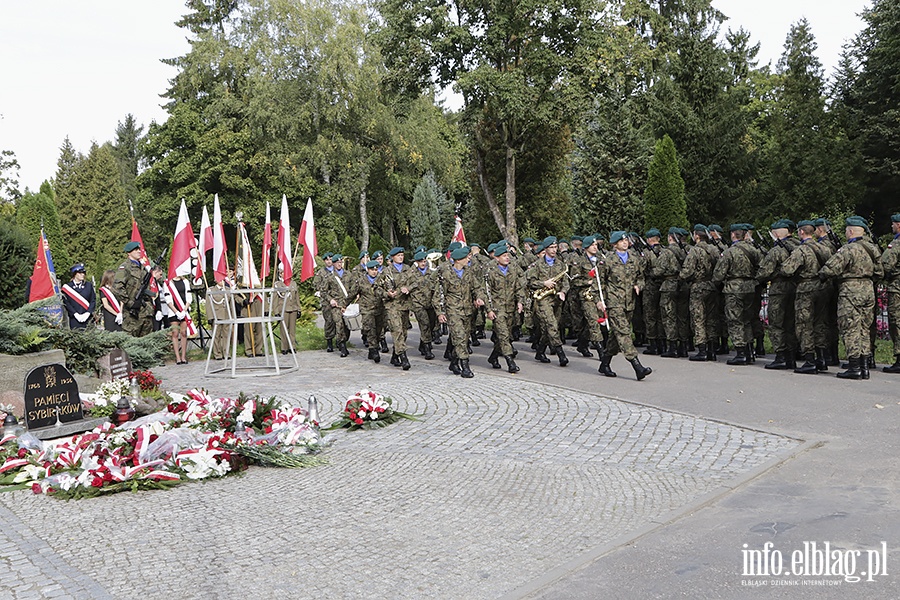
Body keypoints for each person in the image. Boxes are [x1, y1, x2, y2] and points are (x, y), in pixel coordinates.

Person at [819, 216, 884, 379]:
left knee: (850, 327)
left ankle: (854, 366)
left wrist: (822, 275)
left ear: (850, 231)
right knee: (864, 327)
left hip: (850, 290)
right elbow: (880, 272)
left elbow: (830, 269)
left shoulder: (848, 249)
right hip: (868, 289)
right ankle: (864, 365)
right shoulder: (872, 248)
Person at [596, 231, 652, 380]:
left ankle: (605, 363)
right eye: (621, 241)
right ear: (615, 244)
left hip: (629, 302)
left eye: (626, 240)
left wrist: (638, 285)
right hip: (614, 302)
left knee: (616, 335)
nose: (625, 243)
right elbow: (598, 282)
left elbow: (640, 276)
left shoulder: (634, 258)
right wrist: (598, 300)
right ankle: (637, 366)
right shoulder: (607, 260)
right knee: (624, 333)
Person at [781, 220, 832, 374]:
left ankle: (809, 359)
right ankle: (821, 358)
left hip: (806, 289)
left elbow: (787, 270)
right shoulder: (824, 248)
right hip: (823, 287)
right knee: (820, 323)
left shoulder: (800, 250)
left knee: (804, 324)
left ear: (801, 232)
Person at [712, 224, 763, 366]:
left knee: (735, 320)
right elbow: (763, 268)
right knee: (747, 320)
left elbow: (718, 274)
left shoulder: (729, 252)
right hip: (750, 287)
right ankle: (748, 350)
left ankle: (740, 352)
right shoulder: (754, 250)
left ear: (733, 235)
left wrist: (717, 283)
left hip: (734, 288)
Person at [433, 246, 485, 378]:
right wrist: (440, 312)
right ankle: (465, 366)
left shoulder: (469, 272)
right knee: (460, 337)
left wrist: (479, 297)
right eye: (465, 258)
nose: (468, 259)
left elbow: (477, 288)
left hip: (468, 311)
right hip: (453, 311)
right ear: (458, 260)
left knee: (462, 338)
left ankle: (454, 362)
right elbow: (438, 295)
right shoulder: (445, 274)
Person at [756, 220, 800, 369]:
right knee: (790, 323)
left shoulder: (776, 251)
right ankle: (792, 356)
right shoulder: (799, 246)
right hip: (795, 287)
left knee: (777, 323)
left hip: (779, 289)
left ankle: (781, 356)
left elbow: (764, 272)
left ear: (775, 234)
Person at [526, 236, 570, 366]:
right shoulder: (537, 265)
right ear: (545, 249)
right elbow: (529, 282)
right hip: (543, 299)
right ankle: (561, 354)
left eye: (555, 247)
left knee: (549, 328)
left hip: (556, 300)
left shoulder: (561, 264)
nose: (554, 250)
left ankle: (540, 351)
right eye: (551, 247)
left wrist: (563, 292)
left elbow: (566, 282)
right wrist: (543, 283)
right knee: (552, 325)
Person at [679, 225, 719, 362]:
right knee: (711, 318)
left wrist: (682, 278)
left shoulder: (694, 251)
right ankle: (712, 349)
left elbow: (687, 271)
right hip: (711, 285)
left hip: (698, 286)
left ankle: (702, 350)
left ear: (696, 236)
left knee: (698, 318)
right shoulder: (713, 249)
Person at [484, 243, 525, 373]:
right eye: (504, 256)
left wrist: (520, 301)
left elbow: (518, 287)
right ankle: (510, 362)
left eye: (507, 255)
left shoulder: (513, 270)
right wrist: (488, 310)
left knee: (505, 336)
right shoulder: (491, 273)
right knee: (503, 335)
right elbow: (486, 292)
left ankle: (493, 357)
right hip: (497, 309)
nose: (507, 258)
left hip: (510, 308)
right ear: (496, 258)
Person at [376, 247, 417, 369]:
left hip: (404, 306)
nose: (401, 257)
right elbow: (376, 288)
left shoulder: (408, 269)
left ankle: (395, 356)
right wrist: (386, 294)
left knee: (403, 333)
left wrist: (408, 288)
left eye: (402, 255)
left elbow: (416, 282)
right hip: (392, 306)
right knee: (397, 331)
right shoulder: (386, 272)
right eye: (398, 255)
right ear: (392, 257)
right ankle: (404, 358)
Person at [114, 242, 161, 337]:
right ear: (129, 253)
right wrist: (130, 302)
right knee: (132, 345)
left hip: (145, 312)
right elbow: (116, 288)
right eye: (136, 250)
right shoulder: (124, 268)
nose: (139, 251)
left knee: (146, 344)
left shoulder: (143, 268)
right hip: (132, 316)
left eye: (139, 249)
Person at [882, 213, 900, 373]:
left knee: (897, 321)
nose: (892, 227)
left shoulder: (896, 244)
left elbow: (886, 264)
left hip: (897, 286)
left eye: (893, 224)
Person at [163, 275, 192, 364]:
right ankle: (177, 357)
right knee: (175, 333)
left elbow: (189, 297)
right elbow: (168, 299)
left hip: (184, 310)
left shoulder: (185, 281)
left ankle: (183, 356)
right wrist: (176, 312)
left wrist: (184, 310)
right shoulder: (167, 283)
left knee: (184, 333)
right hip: (173, 311)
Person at [271, 265, 300, 355]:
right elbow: (275, 299)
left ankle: (292, 346)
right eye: (283, 272)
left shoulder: (293, 283)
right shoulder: (278, 284)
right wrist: (276, 311)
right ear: (280, 273)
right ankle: (284, 347)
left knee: (292, 329)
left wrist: (299, 309)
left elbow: (297, 297)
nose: (286, 274)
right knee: (284, 330)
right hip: (283, 309)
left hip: (293, 308)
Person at [61, 263, 97, 329]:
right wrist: (75, 314)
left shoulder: (88, 285)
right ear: (75, 274)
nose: (82, 275)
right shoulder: (68, 287)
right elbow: (66, 303)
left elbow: (93, 300)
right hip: (75, 319)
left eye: (83, 273)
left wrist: (88, 313)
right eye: (80, 273)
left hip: (88, 318)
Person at [206, 276, 232, 360]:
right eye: (220, 279)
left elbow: (231, 304)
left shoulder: (228, 290)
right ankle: (217, 353)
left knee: (226, 335)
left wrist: (232, 315)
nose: (222, 281)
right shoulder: (211, 290)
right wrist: (210, 317)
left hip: (226, 315)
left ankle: (226, 352)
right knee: (216, 335)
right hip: (216, 315)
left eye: (223, 279)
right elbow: (208, 304)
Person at [313, 253, 336, 352]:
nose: (329, 261)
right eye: (327, 260)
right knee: (329, 321)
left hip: (337, 299)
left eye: (331, 259)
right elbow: (316, 284)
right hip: (326, 301)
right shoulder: (321, 272)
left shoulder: (337, 271)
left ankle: (340, 341)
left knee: (340, 322)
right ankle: (329, 342)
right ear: (324, 261)